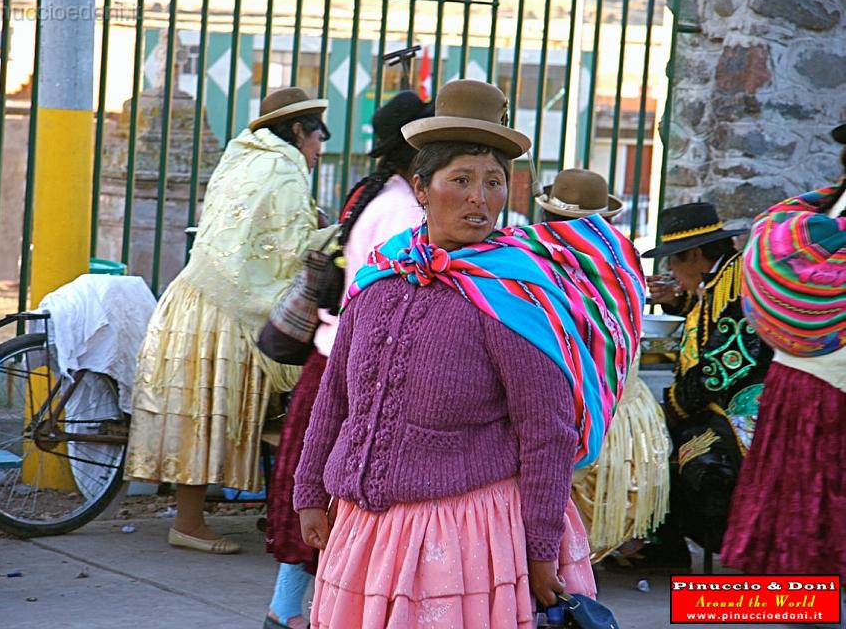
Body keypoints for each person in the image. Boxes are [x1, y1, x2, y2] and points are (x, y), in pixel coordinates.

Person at [293, 80, 645, 627]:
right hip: (366, 537)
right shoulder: (379, 279)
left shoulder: (515, 296)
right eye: (461, 180)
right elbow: (336, 397)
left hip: (469, 541)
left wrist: (540, 547)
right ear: (421, 189)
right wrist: (311, 489)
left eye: (494, 183)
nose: (480, 199)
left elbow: (546, 432)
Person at [124, 87, 330, 554]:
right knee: (222, 414)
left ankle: (212, 515)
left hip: (196, 295)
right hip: (229, 311)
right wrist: (332, 233)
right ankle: (193, 523)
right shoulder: (283, 169)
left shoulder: (243, 158)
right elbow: (293, 248)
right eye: (318, 140)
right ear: (299, 131)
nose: (319, 153)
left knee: (200, 412)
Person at [263, 91, 433, 629]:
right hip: (362, 371)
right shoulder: (404, 213)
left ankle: (286, 611)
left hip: (332, 361)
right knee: (348, 514)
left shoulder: (373, 195)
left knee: (322, 512)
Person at [721, 122, 846, 588]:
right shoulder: (818, 217)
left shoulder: (810, 216)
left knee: (805, 524)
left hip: (796, 378)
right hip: (830, 387)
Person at [534, 169, 672, 562]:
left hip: (574, 405)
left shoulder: (533, 256)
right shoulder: (620, 257)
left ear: (546, 218)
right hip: (623, 406)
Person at [634, 202, 773, 568]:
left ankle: (673, 547)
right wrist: (680, 300)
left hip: (748, 411)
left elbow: (718, 372)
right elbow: (710, 320)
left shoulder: (739, 286)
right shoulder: (725, 276)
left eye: (674, 262)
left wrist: (672, 411)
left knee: (665, 447)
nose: (670, 272)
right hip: (724, 403)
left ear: (695, 254)